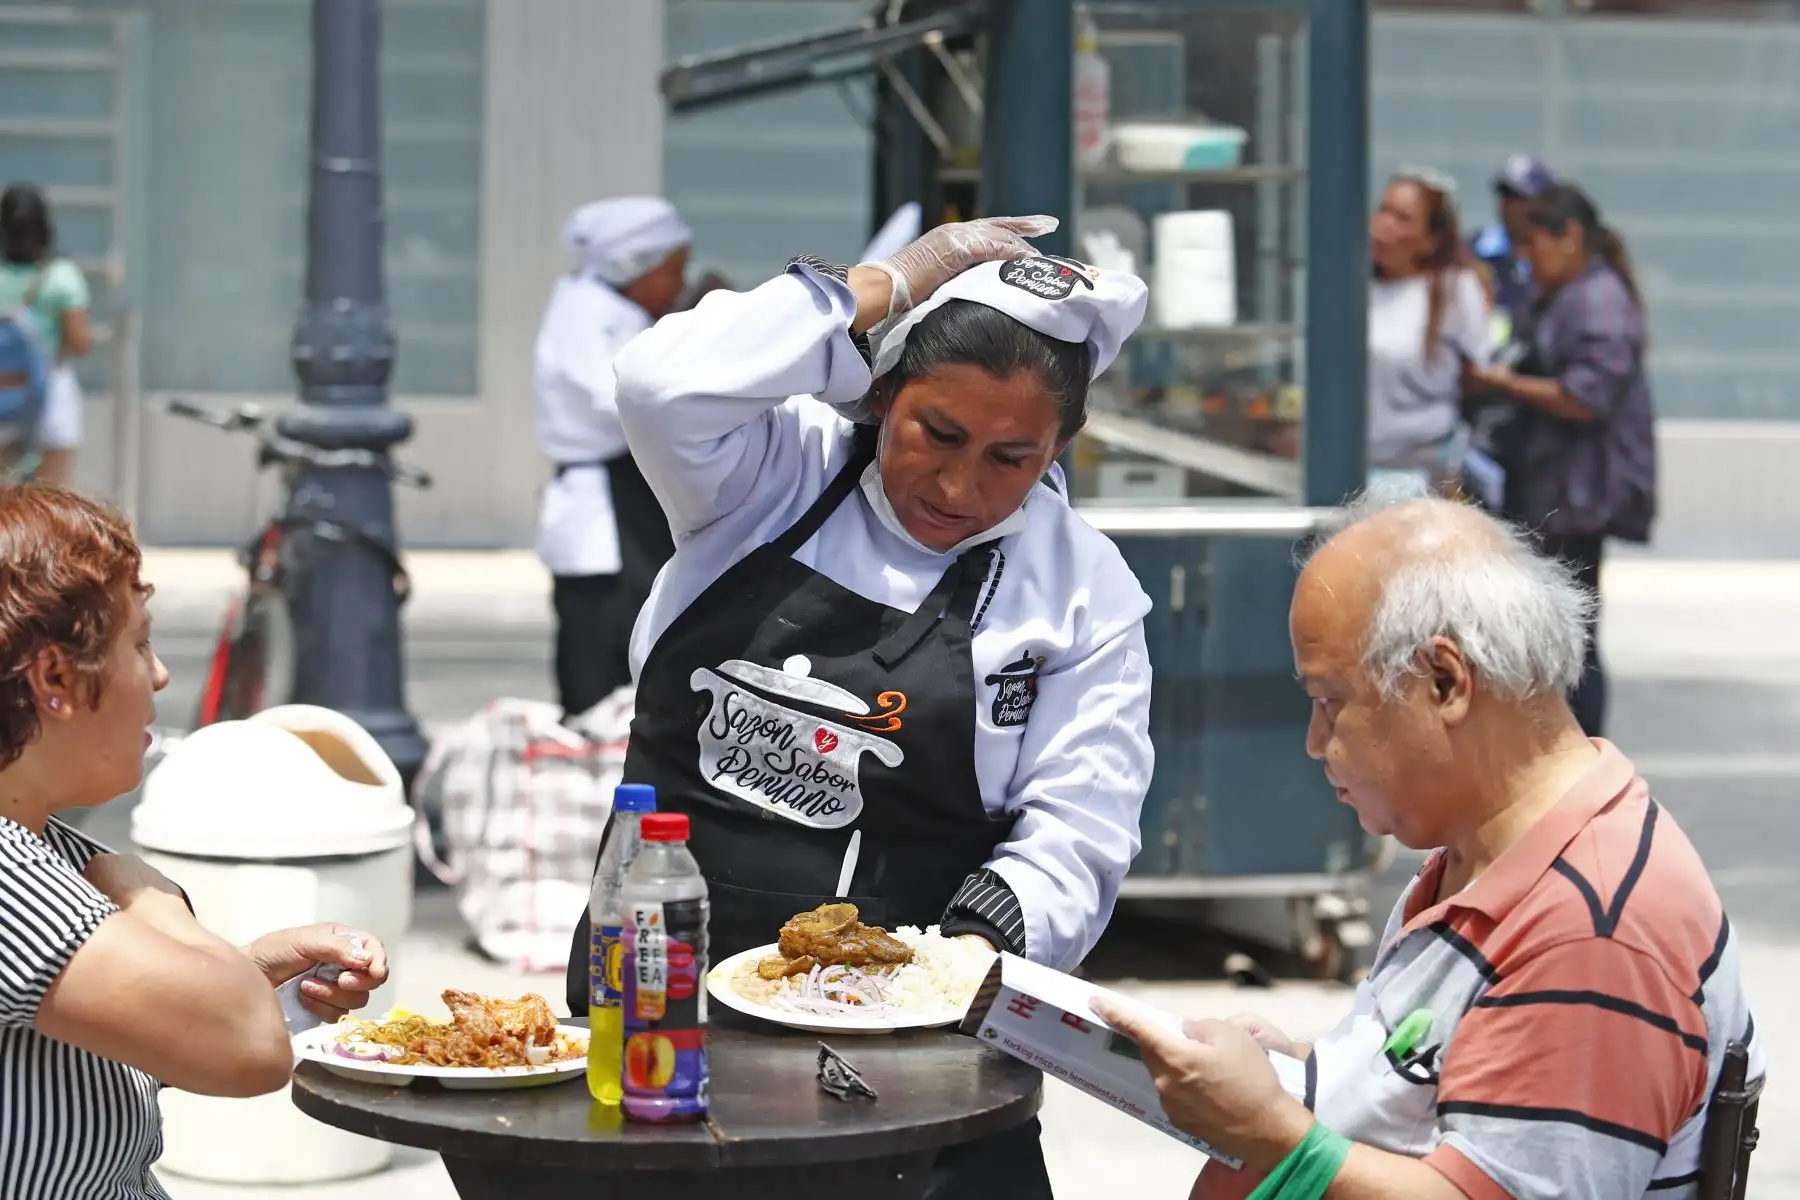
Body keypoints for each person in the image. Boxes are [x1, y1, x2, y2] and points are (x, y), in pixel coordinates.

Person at [563, 217, 1154, 1196]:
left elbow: (1080, 830)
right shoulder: (769, 476)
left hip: (908, 1052)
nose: (960, 486)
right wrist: (887, 282)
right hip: (655, 1006)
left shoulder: (1078, 589)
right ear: (882, 394)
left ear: (1062, 445)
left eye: (1011, 457)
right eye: (938, 434)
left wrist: (952, 966)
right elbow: (659, 383)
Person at [1095, 492, 1759, 1200]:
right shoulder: (1494, 859)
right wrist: (1297, 1069)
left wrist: (1269, 1130)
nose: (1316, 743)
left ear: (1445, 681)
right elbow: (1449, 1077)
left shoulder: (1591, 931)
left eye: (1330, 702)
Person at [0, 485, 391, 1199]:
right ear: (55, 678)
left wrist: (251, 976)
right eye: (138, 644)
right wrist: (150, 900)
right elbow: (249, 1050)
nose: (159, 674)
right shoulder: (12, 879)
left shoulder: (42, 845)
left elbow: (105, 1046)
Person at [1460, 182, 1653, 738]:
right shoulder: (1564, 296)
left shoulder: (1598, 300)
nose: (1526, 260)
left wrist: (1504, 384)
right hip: (1555, 491)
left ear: (1568, 237)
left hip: (1580, 497)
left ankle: (1580, 747)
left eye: (1533, 244)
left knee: (1573, 638)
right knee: (1557, 630)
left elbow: (1587, 396)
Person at [534, 196, 691, 719]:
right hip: (604, 496)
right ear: (637, 267)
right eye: (674, 271)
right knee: (603, 638)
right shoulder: (587, 311)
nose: (679, 285)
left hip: (627, 491)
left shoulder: (613, 309)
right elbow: (622, 397)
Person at [1367, 169, 1493, 493]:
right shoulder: (1355, 287)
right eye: (1383, 210)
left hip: (1425, 474)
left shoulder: (1456, 290)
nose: (1384, 226)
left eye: (1402, 218)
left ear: (1430, 239)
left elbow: (1477, 374)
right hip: (1354, 470)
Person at [0, 184, 91, 486]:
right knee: (50, 495)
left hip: (4, 388)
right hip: (51, 389)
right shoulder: (62, 276)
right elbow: (79, 342)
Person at [1469, 152, 1556, 338]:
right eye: (1505, 195)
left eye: (1519, 198)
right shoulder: (1475, 250)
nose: (1509, 205)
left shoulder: (1560, 257)